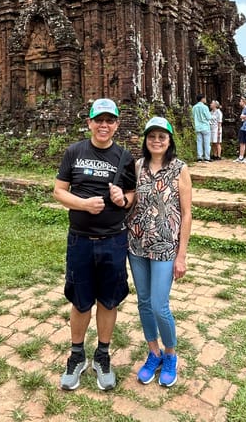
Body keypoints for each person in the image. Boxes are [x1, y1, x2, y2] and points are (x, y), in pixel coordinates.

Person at [54, 98, 136, 391]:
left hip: (114, 239)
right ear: (89, 122)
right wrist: (83, 204)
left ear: (116, 124)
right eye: (98, 120)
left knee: (109, 299)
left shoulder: (124, 157)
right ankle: (76, 355)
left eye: (109, 120)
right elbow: (59, 191)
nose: (104, 125)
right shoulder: (74, 152)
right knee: (80, 299)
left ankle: (102, 354)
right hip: (80, 240)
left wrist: (121, 200)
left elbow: (131, 195)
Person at [127, 117, 192, 388]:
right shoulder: (137, 166)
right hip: (137, 245)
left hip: (166, 247)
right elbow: (130, 202)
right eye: (151, 136)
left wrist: (182, 254)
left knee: (159, 305)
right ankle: (153, 352)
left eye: (161, 137)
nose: (156, 141)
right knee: (143, 302)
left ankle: (170, 354)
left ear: (169, 141)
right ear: (145, 140)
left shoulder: (179, 169)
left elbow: (187, 214)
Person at [192, 94, 211, 162]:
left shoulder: (194, 107)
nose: (205, 100)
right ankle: (207, 157)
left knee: (199, 142)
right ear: (202, 99)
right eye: (204, 98)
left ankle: (199, 157)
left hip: (197, 126)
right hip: (205, 126)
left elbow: (193, 116)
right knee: (207, 142)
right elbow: (209, 117)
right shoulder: (205, 107)